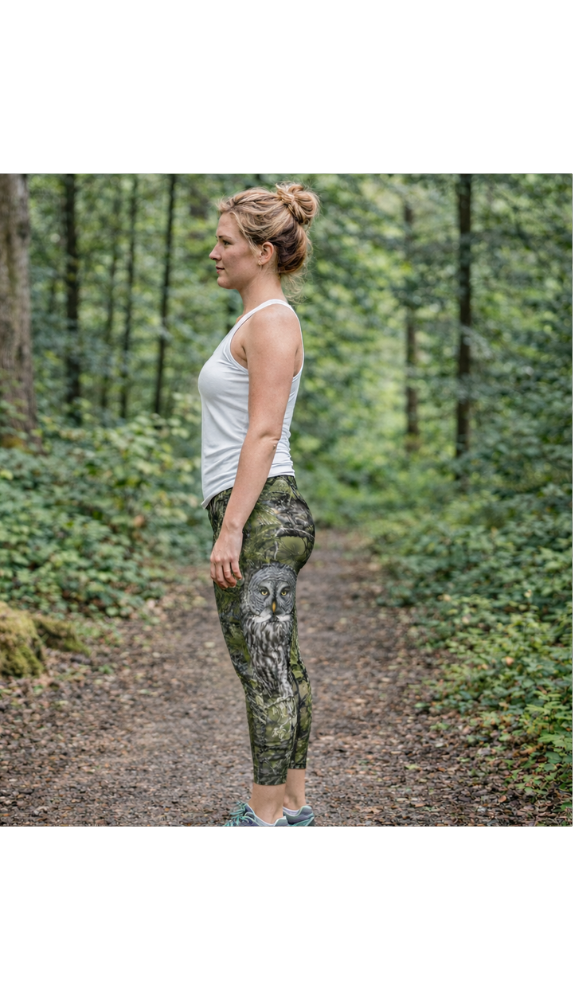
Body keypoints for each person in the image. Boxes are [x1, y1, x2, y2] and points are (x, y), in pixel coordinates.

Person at [198, 182, 321, 827]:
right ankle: (293, 808)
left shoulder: (272, 320)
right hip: (262, 510)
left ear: (263, 251)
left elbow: (265, 432)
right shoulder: (257, 321)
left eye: (225, 242)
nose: (214, 253)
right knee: (281, 666)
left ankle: (263, 816)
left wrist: (232, 528)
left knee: (265, 672)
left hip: (262, 514)